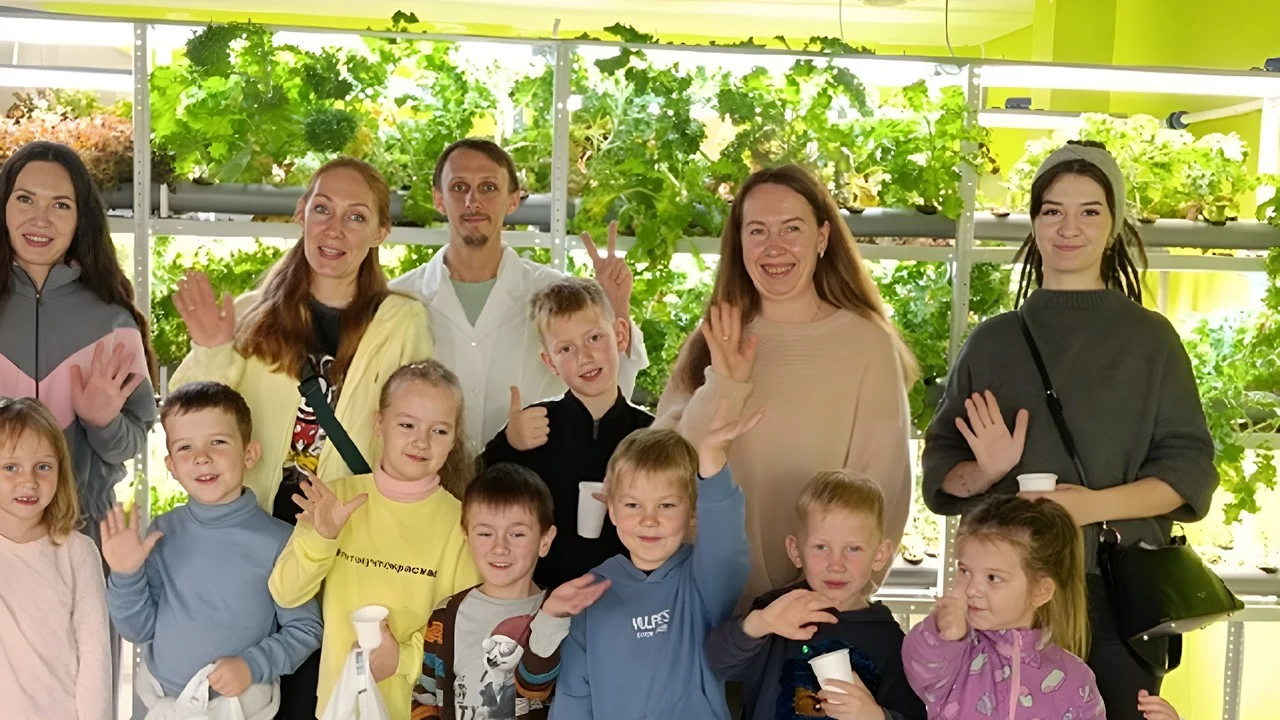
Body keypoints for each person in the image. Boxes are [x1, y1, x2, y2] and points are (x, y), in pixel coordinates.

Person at [921, 141, 1218, 719]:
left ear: (1114, 224)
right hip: (1007, 599)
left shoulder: (1151, 341)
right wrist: (985, 470)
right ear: (1034, 222)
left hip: (1114, 594)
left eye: (1089, 211)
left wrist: (1088, 507)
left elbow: (1188, 473)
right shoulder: (994, 342)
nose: (1069, 228)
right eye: (1053, 210)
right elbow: (941, 474)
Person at [656, 163, 916, 605]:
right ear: (739, 244)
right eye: (757, 231)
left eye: (791, 228)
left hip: (813, 609)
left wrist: (828, 598)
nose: (774, 247)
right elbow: (665, 468)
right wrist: (724, 384)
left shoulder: (867, 345)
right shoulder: (712, 337)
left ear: (822, 238)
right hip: (702, 604)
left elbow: (882, 490)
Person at [389, 138, 648, 447]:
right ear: (438, 199)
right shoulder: (399, 298)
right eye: (459, 187)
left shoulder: (551, 293)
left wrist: (616, 305)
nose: (473, 200)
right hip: (427, 476)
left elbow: (613, 395)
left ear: (513, 200)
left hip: (534, 475)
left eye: (488, 187)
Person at [269, 360, 482, 720]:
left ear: (453, 439)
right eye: (407, 424)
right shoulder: (334, 499)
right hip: (338, 708)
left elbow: (467, 632)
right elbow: (285, 593)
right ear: (379, 424)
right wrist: (323, 538)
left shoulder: (462, 525)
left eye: (439, 430)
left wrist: (403, 659)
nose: (421, 441)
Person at [102, 382, 323, 719]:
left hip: (240, 709)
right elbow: (138, 629)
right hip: (165, 706)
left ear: (249, 454)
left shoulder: (281, 541)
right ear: (172, 466)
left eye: (217, 442)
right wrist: (125, 574)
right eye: (185, 447)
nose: (201, 457)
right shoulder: (162, 532)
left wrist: (251, 665)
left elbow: (306, 630)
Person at [549, 406, 762, 720]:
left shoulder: (702, 580)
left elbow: (726, 547)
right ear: (612, 510)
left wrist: (712, 460)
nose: (649, 520)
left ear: (693, 513)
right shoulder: (590, 591)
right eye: (633, 505)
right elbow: (573, 692)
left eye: (666, 505)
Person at [0, 140, 158, 545]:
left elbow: (132, 442)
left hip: (82, 539)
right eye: (25, 199)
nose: (40, 219)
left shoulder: (112, 323)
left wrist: (102, 422)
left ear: (80, 219)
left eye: (60, 205)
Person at [704, 470, 924, 720]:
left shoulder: (889, 639)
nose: (836, 565)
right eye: (821, 547)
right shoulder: (777, 610)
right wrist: (761, 623)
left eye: (853, 549)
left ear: (880, 555)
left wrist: (876, 716)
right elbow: (717, 663)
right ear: (796, 551)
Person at [481, 276, 652, 590]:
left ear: (620, 334)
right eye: (566, 348)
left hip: (631, 597)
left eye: (594, 338)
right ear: (550, 362)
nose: (584, 357)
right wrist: (508, 443)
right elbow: (477, 489)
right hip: (544, 596)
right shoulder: (535, 425)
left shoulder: (649, 433)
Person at [410, 462, 611, 719]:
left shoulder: (562, 615)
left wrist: (550, 619)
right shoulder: (445, 613)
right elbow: (425, 696)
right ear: (466, 537)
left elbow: (538, 688)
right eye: (485, 534)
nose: (500, 547)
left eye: (517, 534)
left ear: (545, 540)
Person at [901, 495, 1104, 719]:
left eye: (993, 578)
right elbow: (920, 664)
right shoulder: (957, 654)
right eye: (965, 571)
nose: (972, 589)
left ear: (1040, 591)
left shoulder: (1075, 680)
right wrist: (943, 631)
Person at [0, 396, 111, 720]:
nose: (29, 481)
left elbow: (95, 660)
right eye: (10, 467)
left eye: (43, 467)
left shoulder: (79, 553)